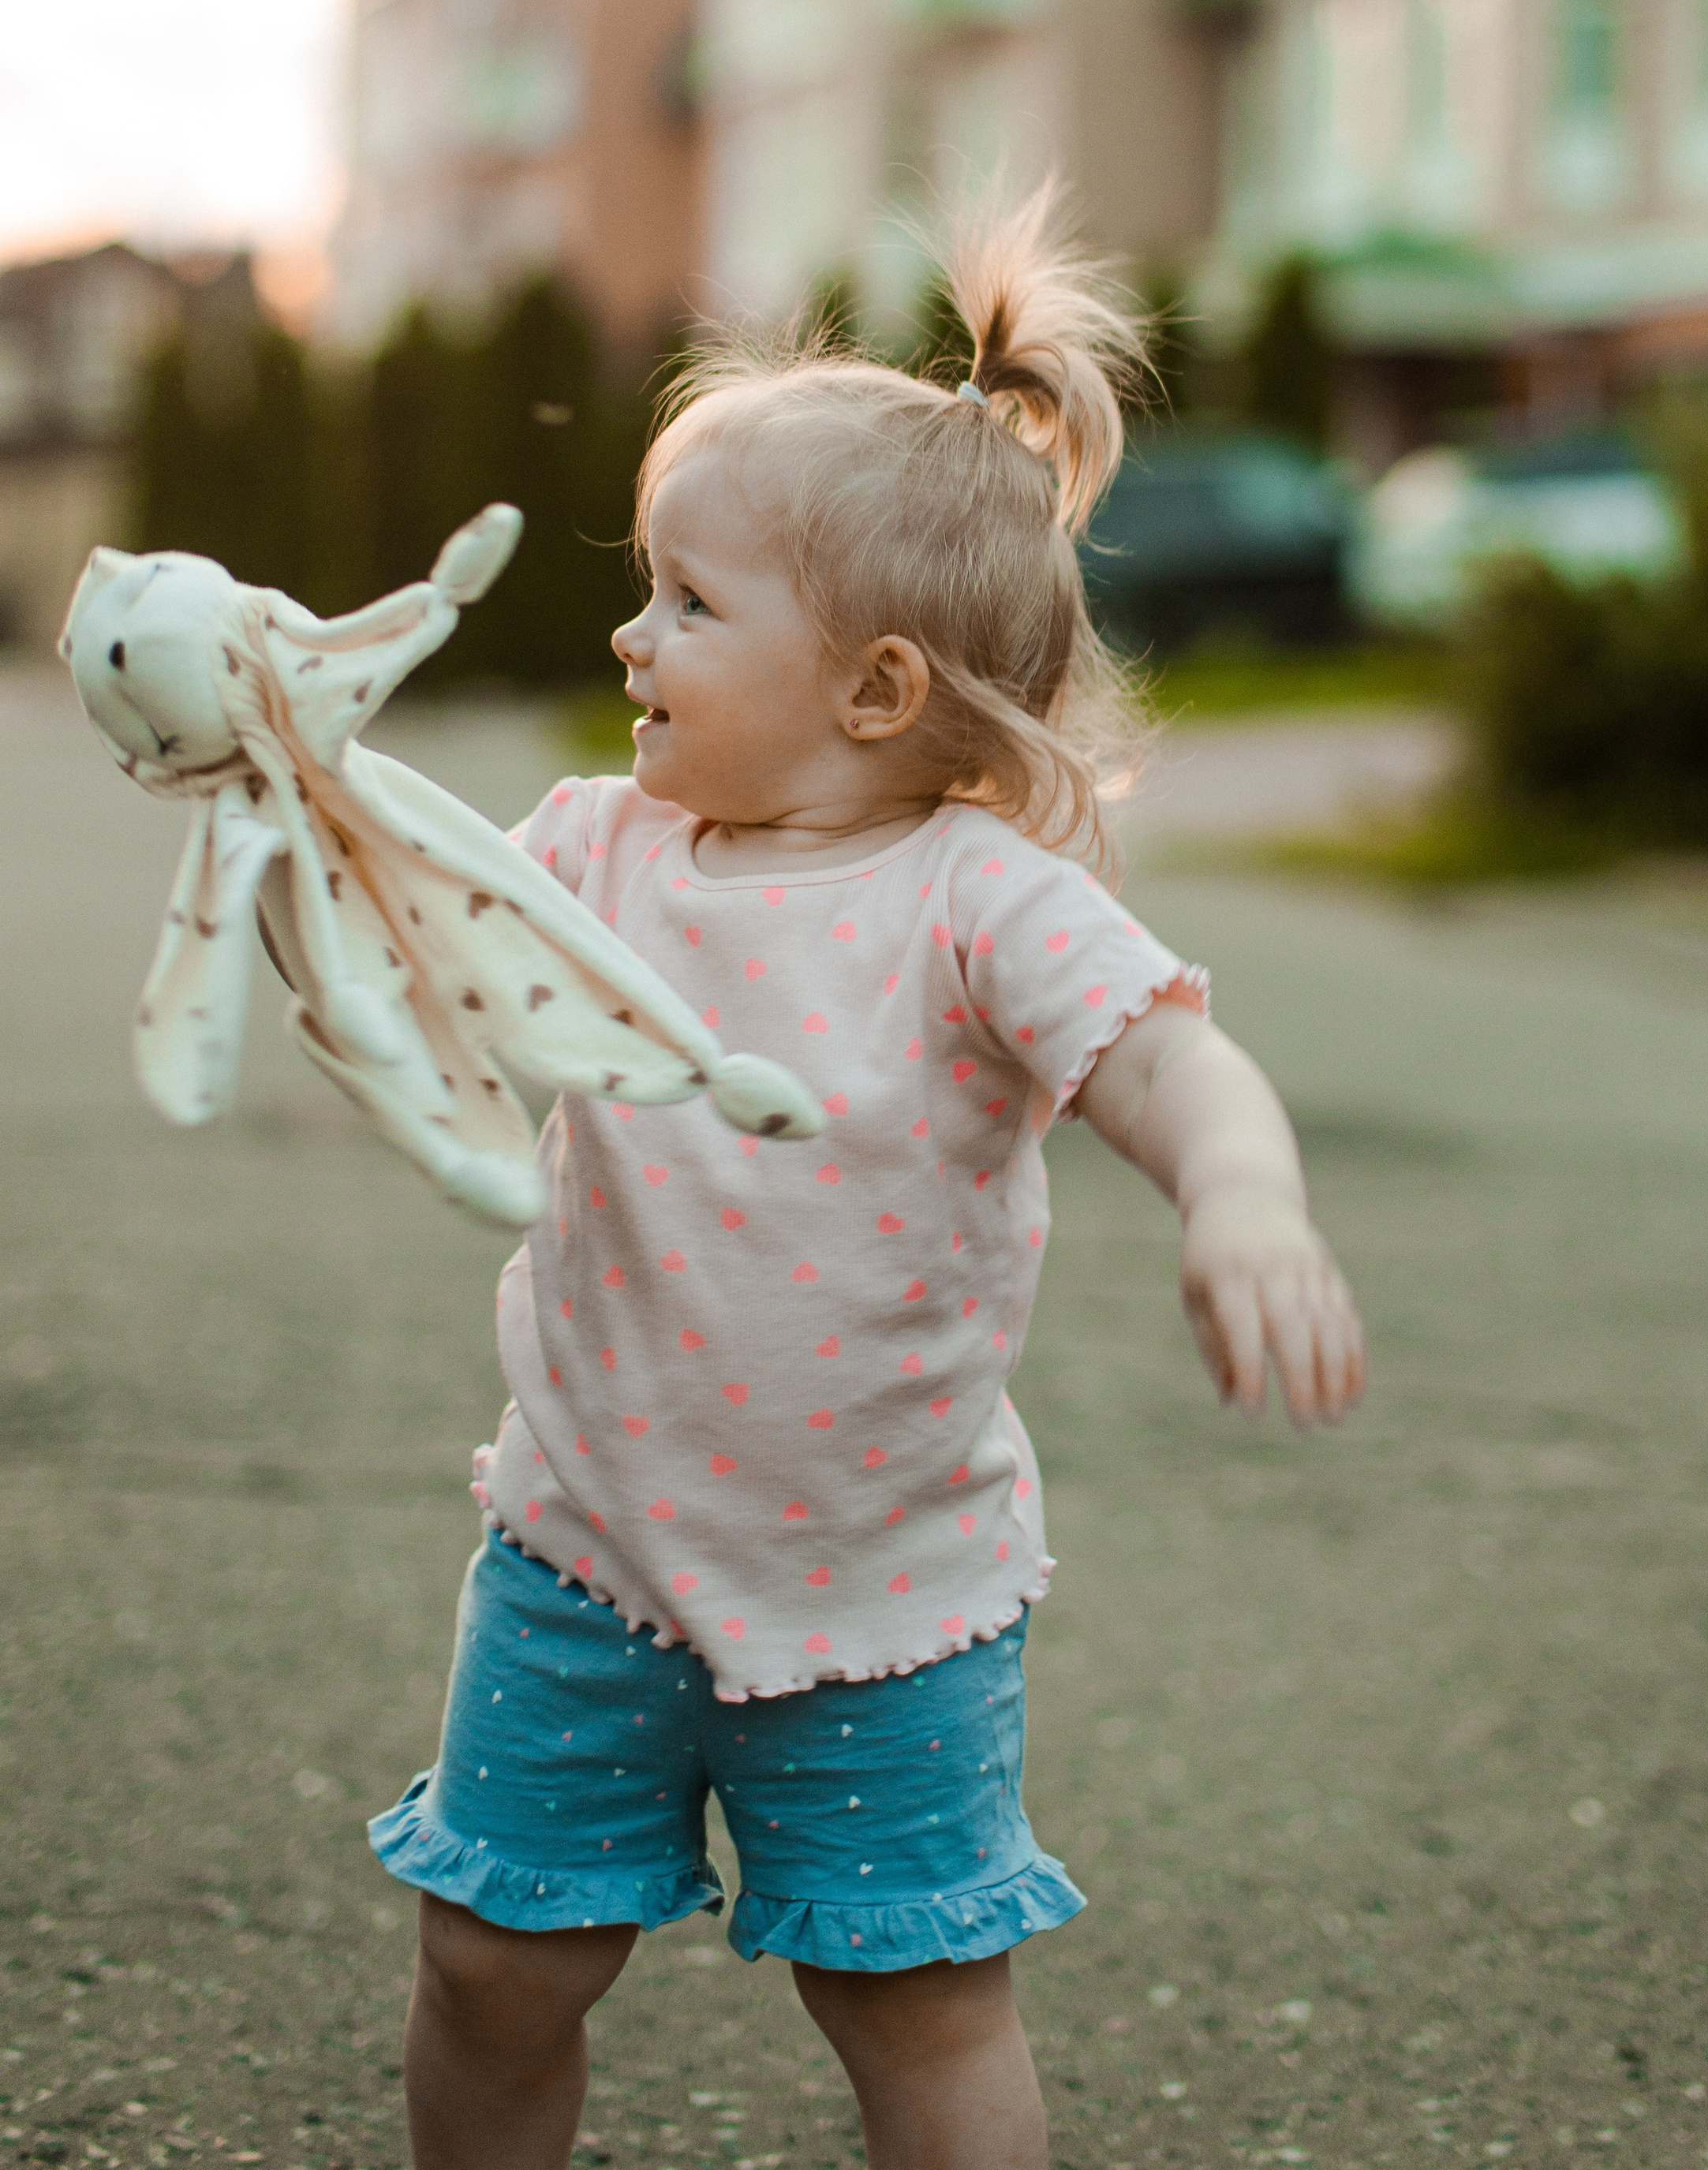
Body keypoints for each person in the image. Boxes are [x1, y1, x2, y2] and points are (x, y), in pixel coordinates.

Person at [368, 192, 1365, 2170]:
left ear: (879, 690)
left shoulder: (979, 902)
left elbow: (1167, 1056)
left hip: (888, 1598)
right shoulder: (593, 844)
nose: (629, 635)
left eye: (686, 604)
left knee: (916, 2006)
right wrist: (289, 789)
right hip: (582, 1555)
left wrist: (1240, 1194)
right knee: (491, 1963)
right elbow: (416, 926)